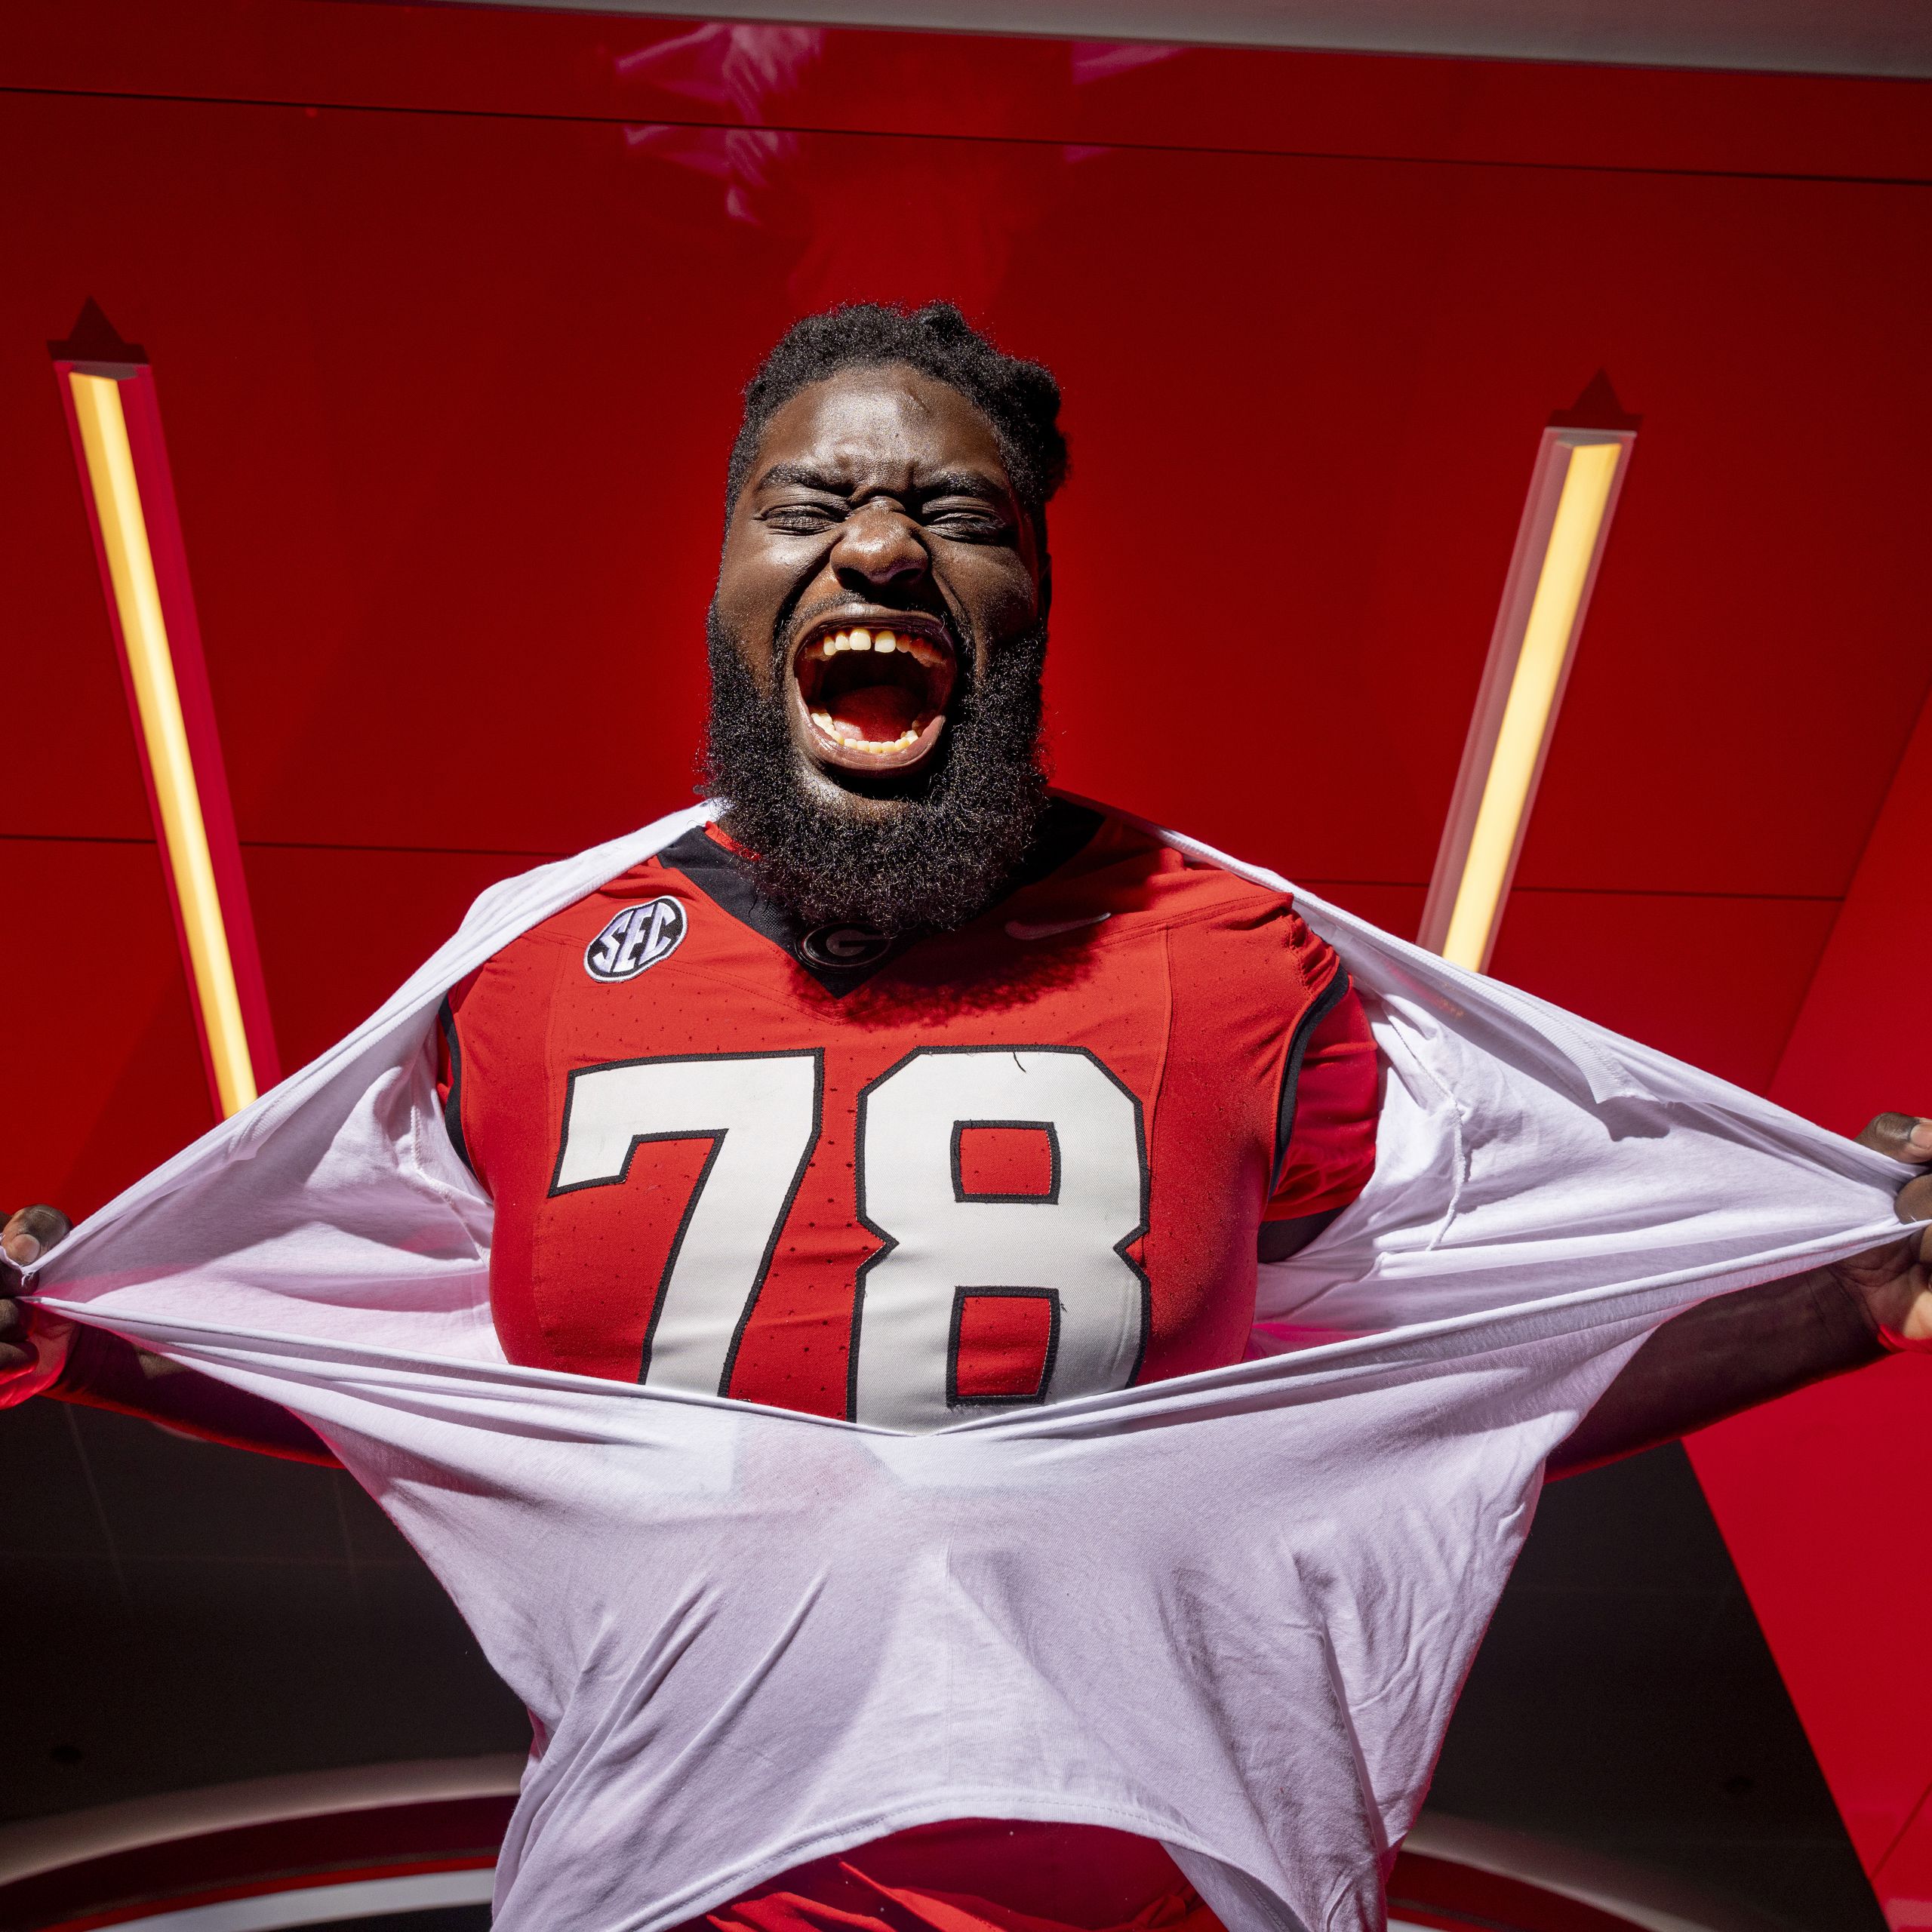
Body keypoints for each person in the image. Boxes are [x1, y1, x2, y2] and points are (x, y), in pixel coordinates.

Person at [5, 302, 1930, 1932]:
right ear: (726, 584)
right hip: (677, 1877)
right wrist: (79, 1335)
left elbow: (1448, 1384)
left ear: (1031, 597)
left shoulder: (1243, 955)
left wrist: (1848, 1290)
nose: (878, 550)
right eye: (810, 504)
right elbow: (399, 1382)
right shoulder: (528, 969)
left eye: (953, 514)